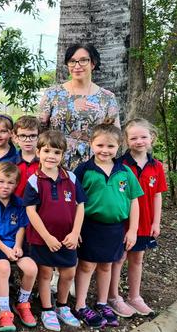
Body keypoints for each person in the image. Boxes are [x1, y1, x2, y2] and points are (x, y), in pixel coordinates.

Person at [73, 120, 143, 328]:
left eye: (110, 146)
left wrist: (132, 230)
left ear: (118, 147)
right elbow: (75, 203)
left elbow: (134, 202)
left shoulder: (125, 172)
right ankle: (80, 305)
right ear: (91, 144)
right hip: (90, 226)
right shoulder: (84, 170)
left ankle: (103, 303)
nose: (105, 150)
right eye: (100, 145)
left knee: (107, 266)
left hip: (115, 228)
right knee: (86, 265)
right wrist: (75, 229)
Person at [23, 130, 85, 331]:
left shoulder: (72, 178)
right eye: (47, 151)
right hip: (43, 238)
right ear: (38, 152)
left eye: (57, 152)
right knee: (45, 273)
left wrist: (75, 232)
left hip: (67, 237)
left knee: (68, 273)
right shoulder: (34, 181)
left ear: (63, 155)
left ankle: (62, 306)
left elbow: (80, 205)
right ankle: (47, 309)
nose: (51, 156)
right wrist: (47, 237)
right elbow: (31, 212)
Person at [109, 118, 167, 317]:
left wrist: (156, 222)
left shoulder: (157, 166)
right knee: (119, 258)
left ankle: (134, 296)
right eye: (133, 137)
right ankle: (113, 297)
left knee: (137, 259)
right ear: (126, 141)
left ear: (152, 138)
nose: (139, 141)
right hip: (123, 222)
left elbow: (158, 195)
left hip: (145, 222)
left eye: (144, 136)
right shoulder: (119, 165)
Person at [39, 43, 120, 170]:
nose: (77, 66)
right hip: (55, 161)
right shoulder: (52, 94)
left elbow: (115, 134)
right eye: (72, 61)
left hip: (94, 164)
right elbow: (40, 129)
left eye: (83, 60)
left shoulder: (107, 97)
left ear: (93, 63)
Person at [0, 162, 38, 331]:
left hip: (14, 244)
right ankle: (4, 311)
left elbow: (21, 227)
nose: (5, 186)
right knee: (3, 267)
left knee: (31, 268)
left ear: (16, 184)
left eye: (10, 182)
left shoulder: (19, 203)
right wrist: (5, 250)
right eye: (1, 181)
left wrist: (18, 246)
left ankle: (22, 303)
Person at [12, 115, 40, 197]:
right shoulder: (10, 163)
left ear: (39, 137)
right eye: (23, 136)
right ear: (16, 138)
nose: (28, 140)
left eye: (33, 136)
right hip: (16, 207)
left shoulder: (45, 162)